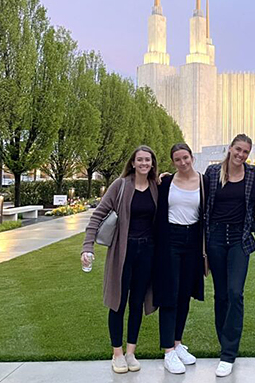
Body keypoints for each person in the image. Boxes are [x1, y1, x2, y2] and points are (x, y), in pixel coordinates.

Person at [81, 145, 158, 374]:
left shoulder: (156, 186)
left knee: (137, 303)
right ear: (133, 163)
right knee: (118, 303)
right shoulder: (121, 185)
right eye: (140, 160)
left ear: (152, 163)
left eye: (148, 160)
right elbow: (98, 215)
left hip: (147, 253)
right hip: (122, 253)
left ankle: (131, 352)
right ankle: (117, 353)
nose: (144, 163)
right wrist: (88, 246)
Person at [204, 133, 255, 377]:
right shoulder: (213, 172)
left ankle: (229, 353)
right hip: (216, 237)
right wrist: (165, 179)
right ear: (230, 148)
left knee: (235, 292)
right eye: (238, 150)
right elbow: (198, 195)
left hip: (240, 238)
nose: (241, 155)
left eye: (245, 152)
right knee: (221, 295)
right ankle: (224, 345)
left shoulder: (253, 175)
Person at [154, 143, 208, 374]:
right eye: (177, 159)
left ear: (192, 157)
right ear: (173, 162)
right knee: (170, 295)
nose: (183, 162)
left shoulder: (204, 182)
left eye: (185, 157)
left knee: (185, 294)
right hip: (170, 240)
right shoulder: (165, 182)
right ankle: (167, 350)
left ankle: (177, 344)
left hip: (193, 240)